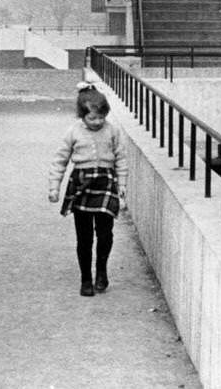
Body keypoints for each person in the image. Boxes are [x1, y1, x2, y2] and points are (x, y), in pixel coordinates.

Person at [47, 82, 129, 296]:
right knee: (84, 237)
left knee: (105, 234)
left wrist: (122, 186)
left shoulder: (112, 131)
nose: (97, 122)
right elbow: (60, 160)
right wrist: (54, 187)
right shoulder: (73, 132)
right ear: (82, 115)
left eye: (101, 117)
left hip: (105, 183)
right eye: (92, 118)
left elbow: (121, 159)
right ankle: (86, 278)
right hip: (82, 185)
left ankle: (101, 271)